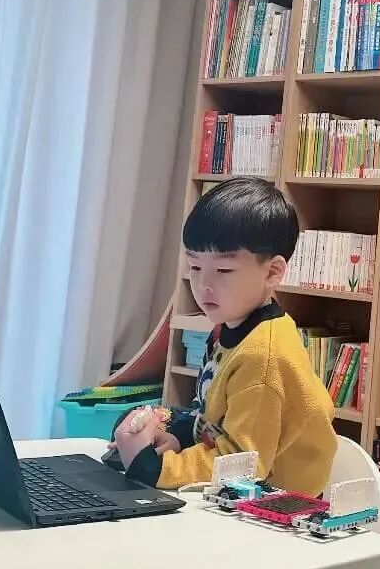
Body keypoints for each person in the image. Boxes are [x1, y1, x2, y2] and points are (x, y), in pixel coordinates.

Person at [111, 177, 337, 495]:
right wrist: (176, 436)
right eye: (195, 267)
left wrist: (155, 468)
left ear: (272, 272)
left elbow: (243, 466)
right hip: (237, 489)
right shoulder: (229, 326)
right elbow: (213, 418)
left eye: (223, 271)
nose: (203, 286)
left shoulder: (262, 356)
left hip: (272, 502)